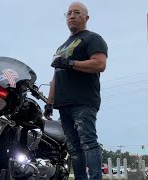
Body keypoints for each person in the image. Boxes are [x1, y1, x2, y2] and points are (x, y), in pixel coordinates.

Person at [44, 2, 108, 180]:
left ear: (86, 17)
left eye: (77, 12)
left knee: (88, 143)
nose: (71, 16)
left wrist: (69, 63)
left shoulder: (93, 38)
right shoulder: (60, 47)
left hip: (83, 101)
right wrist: (49, 104)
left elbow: (99, 64)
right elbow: (56, 77)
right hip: (63, 104)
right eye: (69, 13)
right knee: (73, 147)